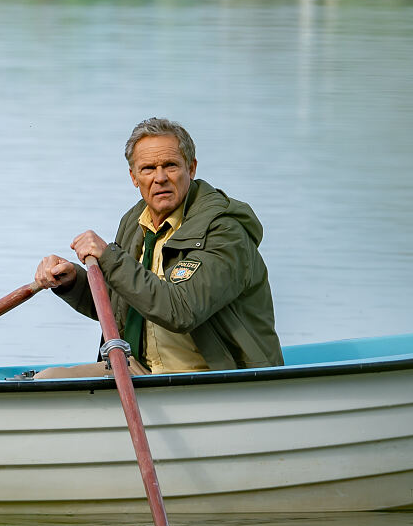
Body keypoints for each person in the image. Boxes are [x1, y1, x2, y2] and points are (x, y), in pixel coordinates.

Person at [32, 117, 282, 378]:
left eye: (171, 166)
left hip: (215, 377)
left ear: (192, 168)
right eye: (148, 168)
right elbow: (121, 304)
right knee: (46, 379)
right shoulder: (134, 220)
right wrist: (71, 280)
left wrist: (110, 257)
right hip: (141, 370)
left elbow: (181, 311)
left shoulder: (225, 231)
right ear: (133, 177)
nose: (160, 178)